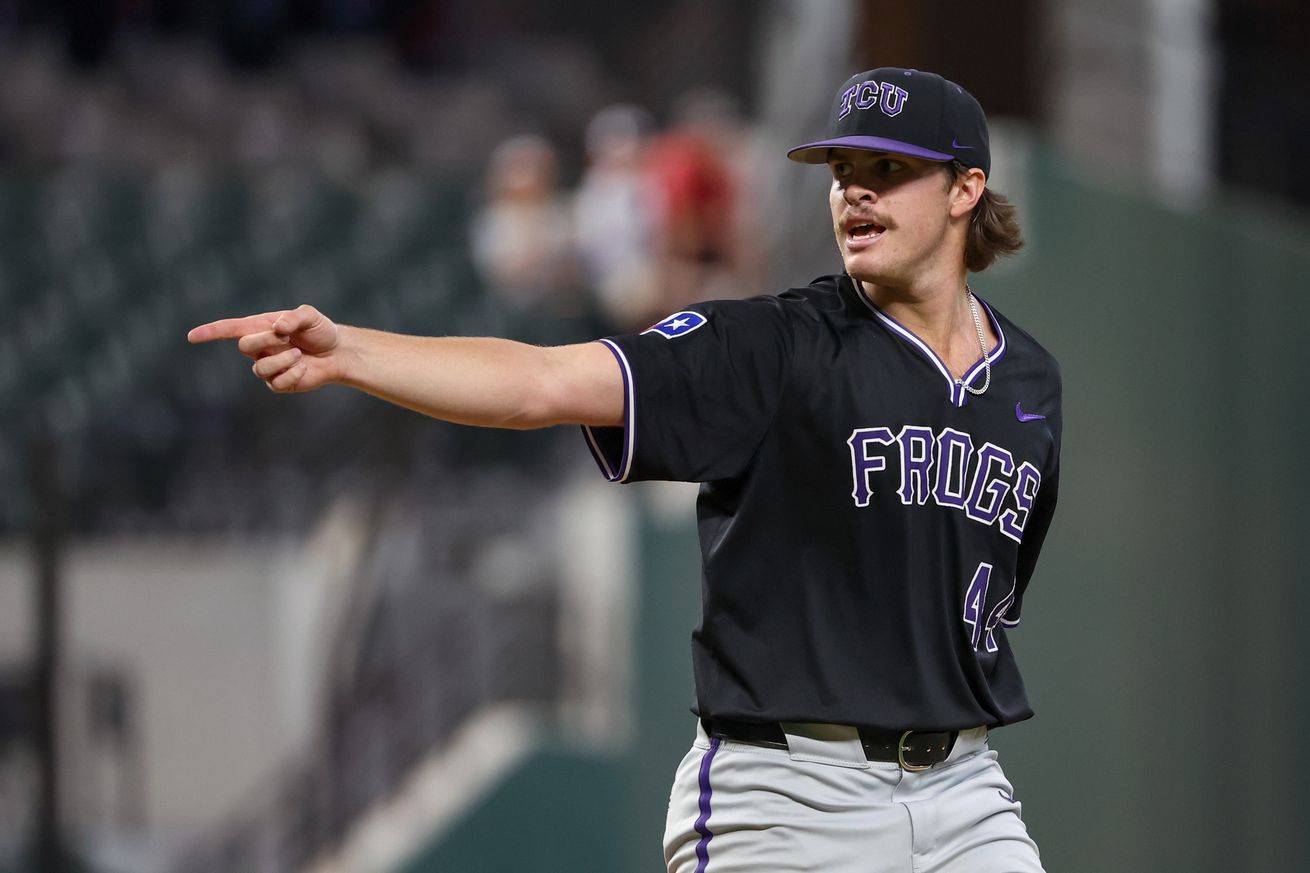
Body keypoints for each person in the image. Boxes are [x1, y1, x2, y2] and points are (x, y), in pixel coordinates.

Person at [189, 66, 1060, 873]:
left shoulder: (1029, 382)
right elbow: (543, 381)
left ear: (965, 190)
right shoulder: (774, 346)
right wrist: (352, 352)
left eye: (889, 168)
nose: (854, 189)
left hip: (964, 790)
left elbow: (988, 596)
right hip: (794, 794)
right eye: (841, 168)